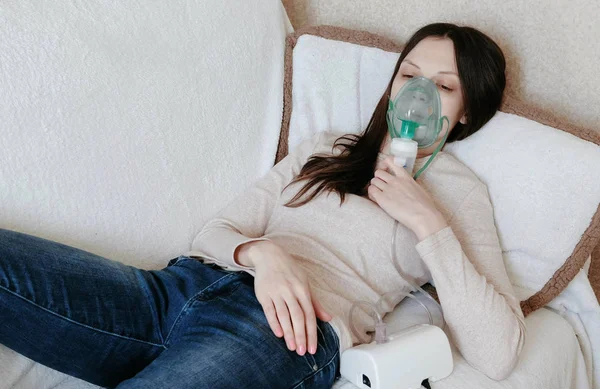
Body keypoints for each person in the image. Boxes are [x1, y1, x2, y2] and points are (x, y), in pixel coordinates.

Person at [0, 23, 525, 388]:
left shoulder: (460, 194)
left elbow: (499, 354)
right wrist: (266, 256)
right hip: (181, 288)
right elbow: (215, 232)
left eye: (443, 86)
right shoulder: (327, 146)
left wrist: (428, 221)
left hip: (282, 334)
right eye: (409, 75)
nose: (418, 95)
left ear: (466, 111)